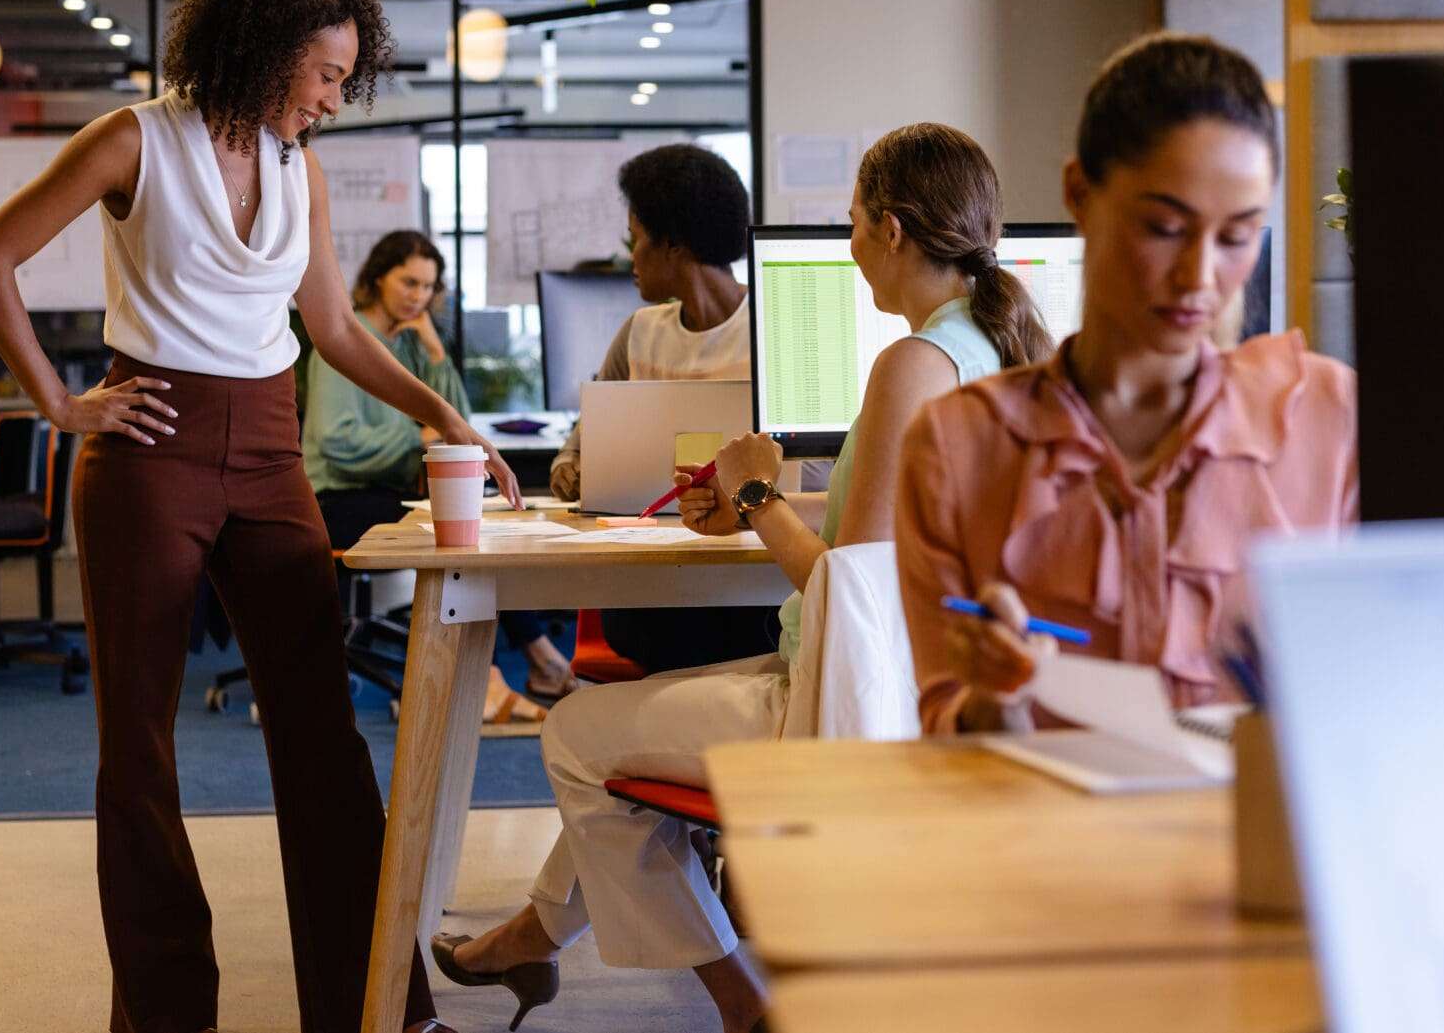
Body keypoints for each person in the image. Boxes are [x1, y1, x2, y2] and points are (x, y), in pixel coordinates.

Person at [0, 0, 521, 1033]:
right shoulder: (135, 141)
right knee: (141, 743)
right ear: (266, 50)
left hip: (268, 449)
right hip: (148, 448)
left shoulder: (296, 167)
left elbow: (334, 331)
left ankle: (375, 1004)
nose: (334, 99)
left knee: (319, 730)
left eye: (344, 80)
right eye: (326, 75)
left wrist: (443, 410)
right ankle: (167, 1012)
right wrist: (61, 405)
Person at [430, 123, 1053, 1033]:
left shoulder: (913, 365)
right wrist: (764, 512)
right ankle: (538, 934)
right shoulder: (997, 347)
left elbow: (851, 591)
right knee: (623, 744)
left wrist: (757, 492)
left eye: (849, 224)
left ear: (890, 230)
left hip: (843, 702)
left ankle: (738, 1000)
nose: (848, 249)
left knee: (573, 735)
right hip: (928, 689)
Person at [896, 33, 1358, 734]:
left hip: (1259, 836)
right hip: (1046, 837)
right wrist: (997, 700)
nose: (1199, 278)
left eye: (1237, 237)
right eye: (1166, 227)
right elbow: (947, 733)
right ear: (1080, 193)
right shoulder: (956, 446)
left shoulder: (1328, 417)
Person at [304, 229, 572, 719]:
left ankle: (530, 665)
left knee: (476, 531)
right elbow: (334, 442)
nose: (418, 296)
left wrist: (434, 353)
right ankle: (505, 672)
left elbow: (458, 427)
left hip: (390, 492)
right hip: (337, 499)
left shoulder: (407, 343)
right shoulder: (345, 341)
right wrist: (419, 439)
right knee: (462, 537)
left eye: (428, 287)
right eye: (408, 282)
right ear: (377, 278)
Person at [548, 142, 778, 673]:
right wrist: (569, 470)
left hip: (754, 570)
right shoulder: (638, 333)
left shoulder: (771, 326)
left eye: (638, 239)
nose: (630, 257)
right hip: (654, 575)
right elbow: (578, 445)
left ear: (673, 244)